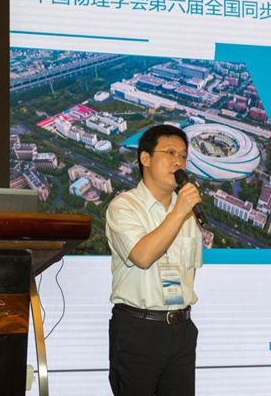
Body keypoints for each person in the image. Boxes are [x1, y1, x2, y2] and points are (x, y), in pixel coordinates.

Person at [105, 124, 204, 396]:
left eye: (183, 156)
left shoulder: (189, 214)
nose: (178, 161)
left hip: (181, 330)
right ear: (145, 158)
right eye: (170, 152)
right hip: (139, 330)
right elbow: (143, 256)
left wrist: (182, 210)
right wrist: (179, 211)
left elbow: (190, 272)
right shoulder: (124, 207)